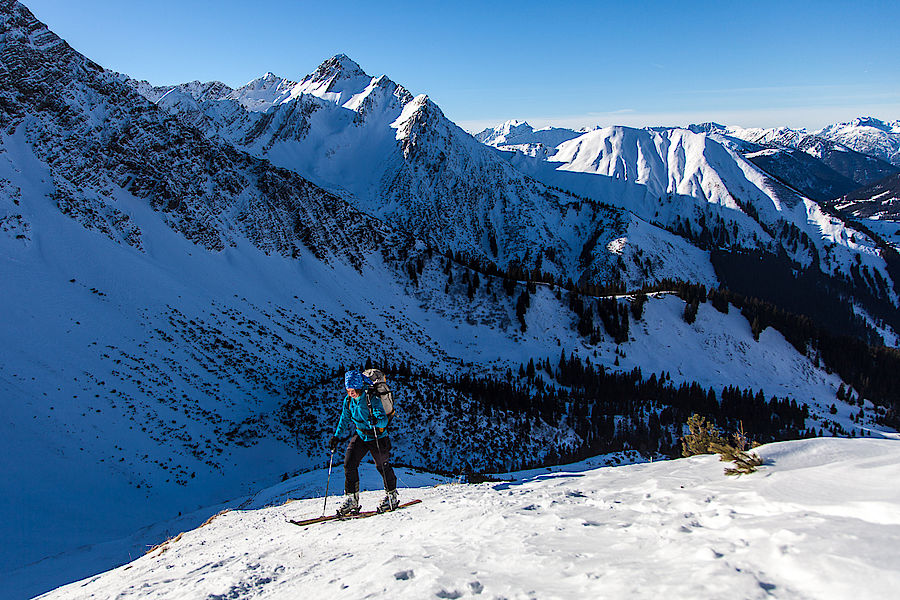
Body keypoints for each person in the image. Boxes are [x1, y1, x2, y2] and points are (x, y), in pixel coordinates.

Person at [330, 370, 399, 515]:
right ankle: (352, 499)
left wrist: (376, 420)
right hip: (361, 435)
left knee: (382, 466)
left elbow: (383, 420)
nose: (350, 393)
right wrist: (336, 436)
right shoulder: (348, 400)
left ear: (358, 386)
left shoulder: (371, 398)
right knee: (349, 463)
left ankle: (391, 496)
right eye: (348, 390)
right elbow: (345, 418)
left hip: (377, 436)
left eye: (352, 390)